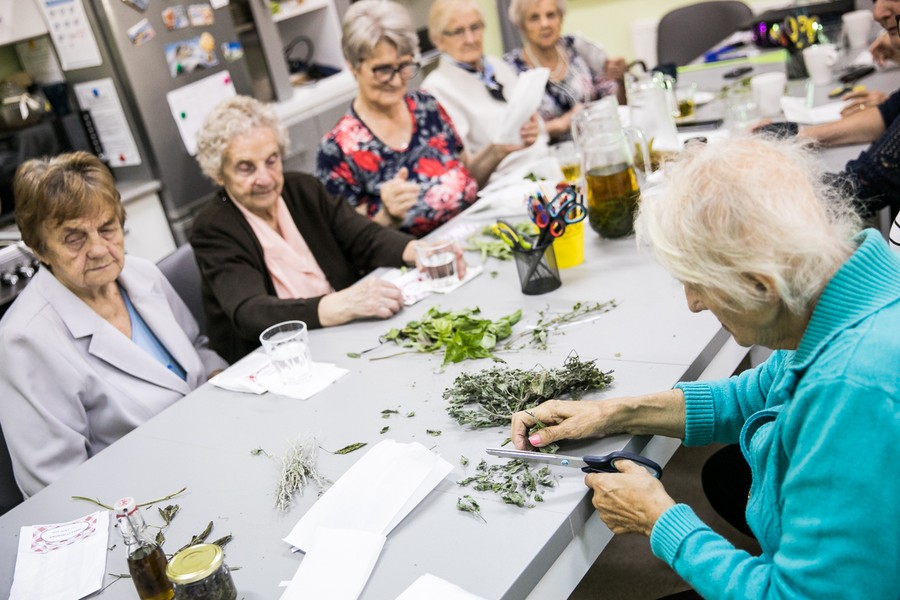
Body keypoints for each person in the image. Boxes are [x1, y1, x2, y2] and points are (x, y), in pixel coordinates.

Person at [509, 137, 900, 598]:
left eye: (698, 284)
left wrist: (661, 521)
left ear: (760, 284)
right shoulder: (836, 286)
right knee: (726, 477)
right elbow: (755, 395)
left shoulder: (856, 390)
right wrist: (610, 414)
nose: (693, 304)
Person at [0, 152, 227, 497]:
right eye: (73, 238)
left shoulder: (140, 274)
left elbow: (198, 349)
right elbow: (58, 487)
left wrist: (227, 387)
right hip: (148, 499)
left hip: (215, 450)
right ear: (40, 248)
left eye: (107, 228)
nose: (97, 249)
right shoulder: (24, 340)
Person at [191, 96, 464, 364]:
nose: (265, 179)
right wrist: (340, 305)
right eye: (246, 168)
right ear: (218, 173)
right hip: (281, 363)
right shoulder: (213, 228)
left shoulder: (302, 189)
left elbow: (364, 237)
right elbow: (250, 312)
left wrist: (420, 251)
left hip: (344, 338)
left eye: (272, 160)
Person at [318, 0, 498, 238]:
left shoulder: (426, 105)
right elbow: (353, 244)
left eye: (403, 66)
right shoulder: (338, 149)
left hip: (475, 233)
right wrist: (387, 216)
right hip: (415, 262)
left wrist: (498, 150)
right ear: (352, 66)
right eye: (382, 70)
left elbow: (467, 174)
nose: (395, 80)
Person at [421, 0, 548, 182]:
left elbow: (539, 124)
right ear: (438, 41)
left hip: (543, 162)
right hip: (505, 183)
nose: (470, 39)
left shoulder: (498, 65)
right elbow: (459, 173)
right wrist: (497, 151)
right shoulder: (435, 90)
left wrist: (535, 129)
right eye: (458, 32)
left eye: (475, 27)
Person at [503, 0, 627, 142]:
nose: (545, 24)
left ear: (561, 18)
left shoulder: (577, 47)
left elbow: (617, 105)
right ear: (521, 26)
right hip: (550, 157)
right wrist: (561, 124)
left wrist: (620, 80)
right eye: (534, 18)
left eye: (551, 15)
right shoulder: (511, 68)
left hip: (601, 143)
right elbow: (512, 134)